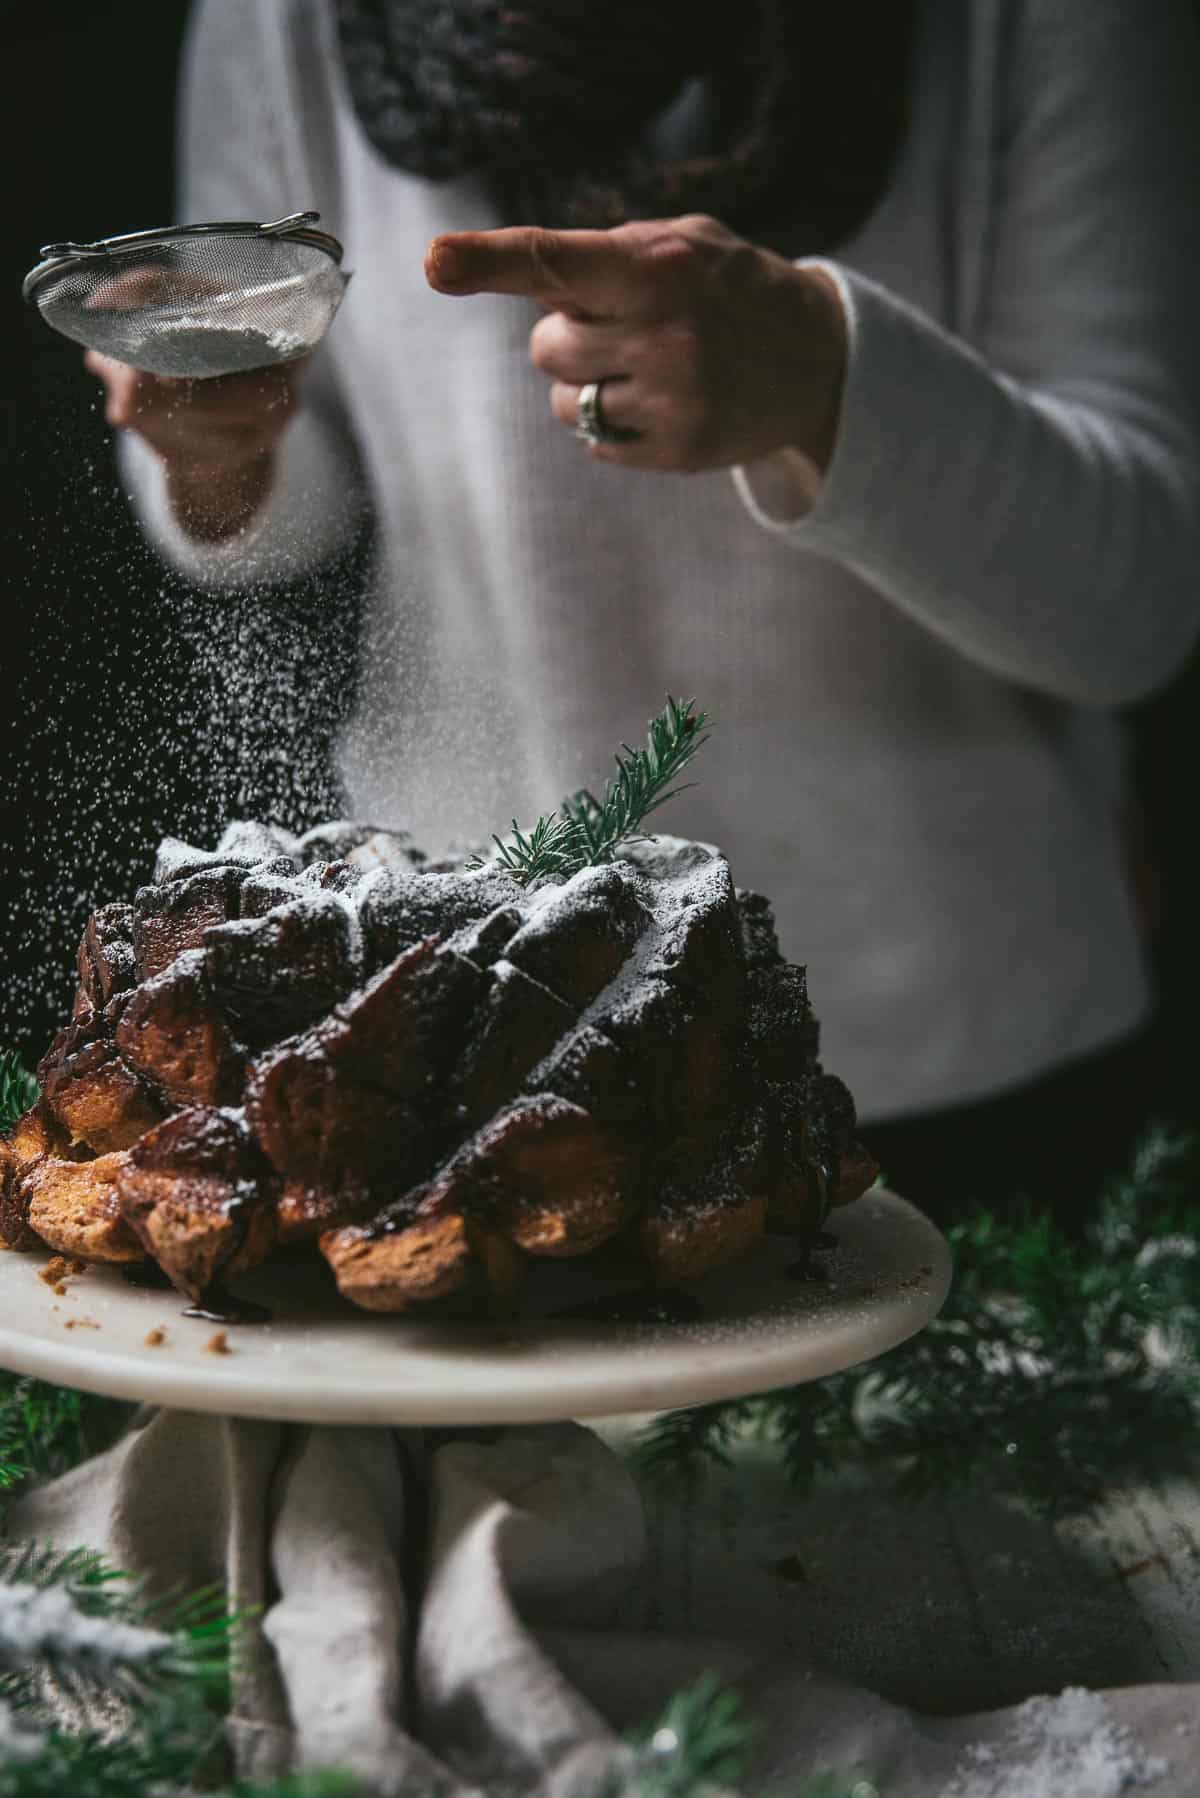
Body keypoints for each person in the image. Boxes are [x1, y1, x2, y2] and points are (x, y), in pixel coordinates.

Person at [88, 0, 1200, 1229]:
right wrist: (213, 450)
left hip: (956, 1046)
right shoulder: (283, 22)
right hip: (454, 1037)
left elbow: (1139, 602)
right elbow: (277, 521)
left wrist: (829, 390)